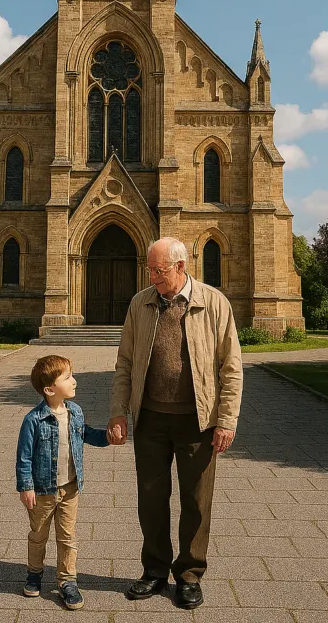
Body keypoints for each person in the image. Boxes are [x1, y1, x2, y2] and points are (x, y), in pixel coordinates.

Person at [107, 236, 243, 609]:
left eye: (159, 270)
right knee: (151, 500)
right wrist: (119, 411)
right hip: (150, 419)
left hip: (198, 420)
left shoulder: (213, 303)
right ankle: (154, 571)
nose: (152, 276)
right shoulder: (141, 303)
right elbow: (124, 363)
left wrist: (226, 419)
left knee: (197, 501)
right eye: (150, 269)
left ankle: (189, 574)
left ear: (181, 267)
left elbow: (231, 367)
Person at [16, 354, 109, 610]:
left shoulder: (75, 412)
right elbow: (23, 456)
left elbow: (87, 434)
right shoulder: (33, 420)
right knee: (38, 536)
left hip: (70, 489)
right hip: (42, 491)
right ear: (49, 389)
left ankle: (67, 581)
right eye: (67, 377)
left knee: (67, 536)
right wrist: (26, 487)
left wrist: (108, 437)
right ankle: (34, 574)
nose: (74, 380)